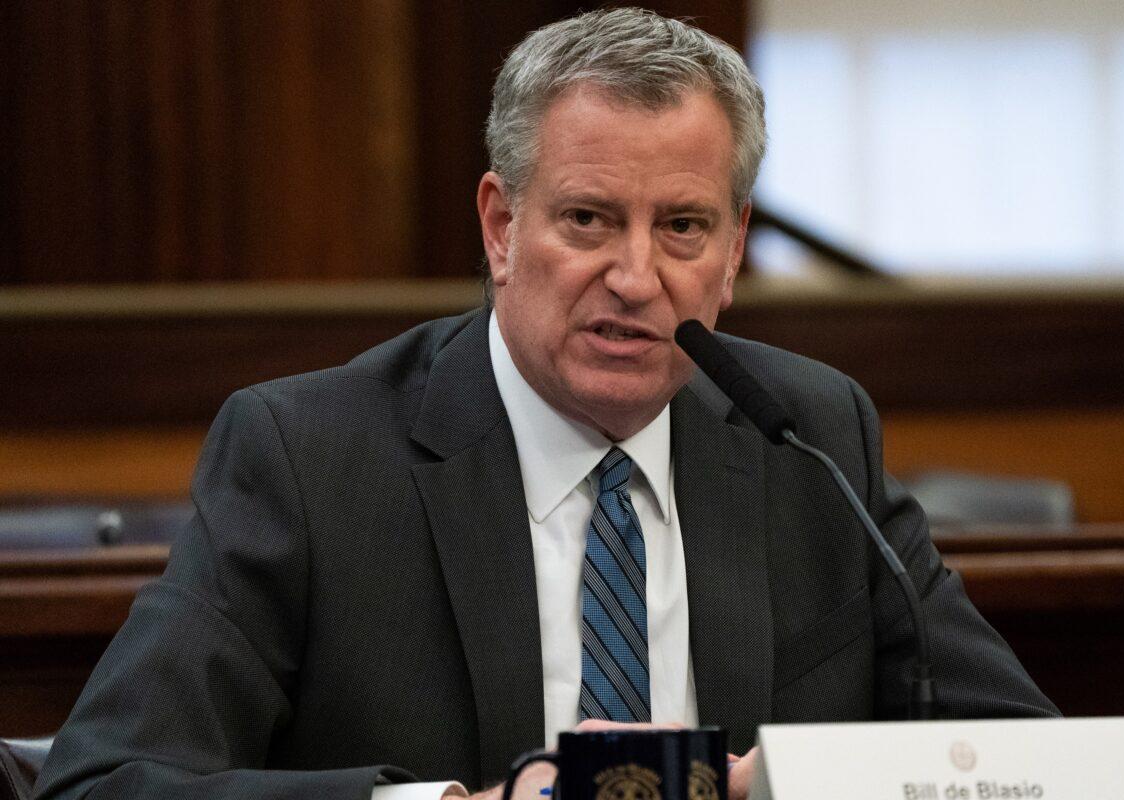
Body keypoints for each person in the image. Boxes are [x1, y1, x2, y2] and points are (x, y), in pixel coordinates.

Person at [34, 8, 1057, 800]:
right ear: (500, 226)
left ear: (735, 250)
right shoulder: (309, 455)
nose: (635, 274)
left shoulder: (813, 434)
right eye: (588, 218)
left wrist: (781, 782)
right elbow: (106, 779)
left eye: (684, 227)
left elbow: (1035, 765)